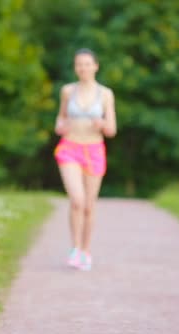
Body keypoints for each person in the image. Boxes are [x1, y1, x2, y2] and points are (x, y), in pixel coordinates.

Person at [53, 48, 117, 271]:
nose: (83, 68)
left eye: (87, 64)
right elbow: (59, 119)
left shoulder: (106, 94)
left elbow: (112, 129)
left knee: (89, 206)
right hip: (69, 148)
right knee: (77, 200)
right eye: (79, 64)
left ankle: (85, 251)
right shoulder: (67, 91)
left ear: (96, 66)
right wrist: (60, 127)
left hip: (94, 151)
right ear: (75, 67)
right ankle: (74, 247)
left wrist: (103, 125)